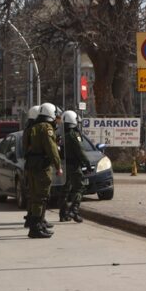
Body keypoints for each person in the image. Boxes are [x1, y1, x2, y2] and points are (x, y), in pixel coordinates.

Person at [24, 102, 62, 239]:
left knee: (35, 196)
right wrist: (58, 166)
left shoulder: (32, 127)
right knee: (42, 197)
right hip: (42, 167)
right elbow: (51, 149)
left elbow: (25, 148)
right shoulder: (46, 128)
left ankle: (37, 225)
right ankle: (36, 227)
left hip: (32, 166)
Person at [59, 110, 90, 223]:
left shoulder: (62, 135)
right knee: (80, 188)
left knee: (65, 190)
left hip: (64, 165)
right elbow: (80, 151)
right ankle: (74, 210)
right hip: (73, 166)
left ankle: (63, 214)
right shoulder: (73, 135)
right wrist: (87, 163)